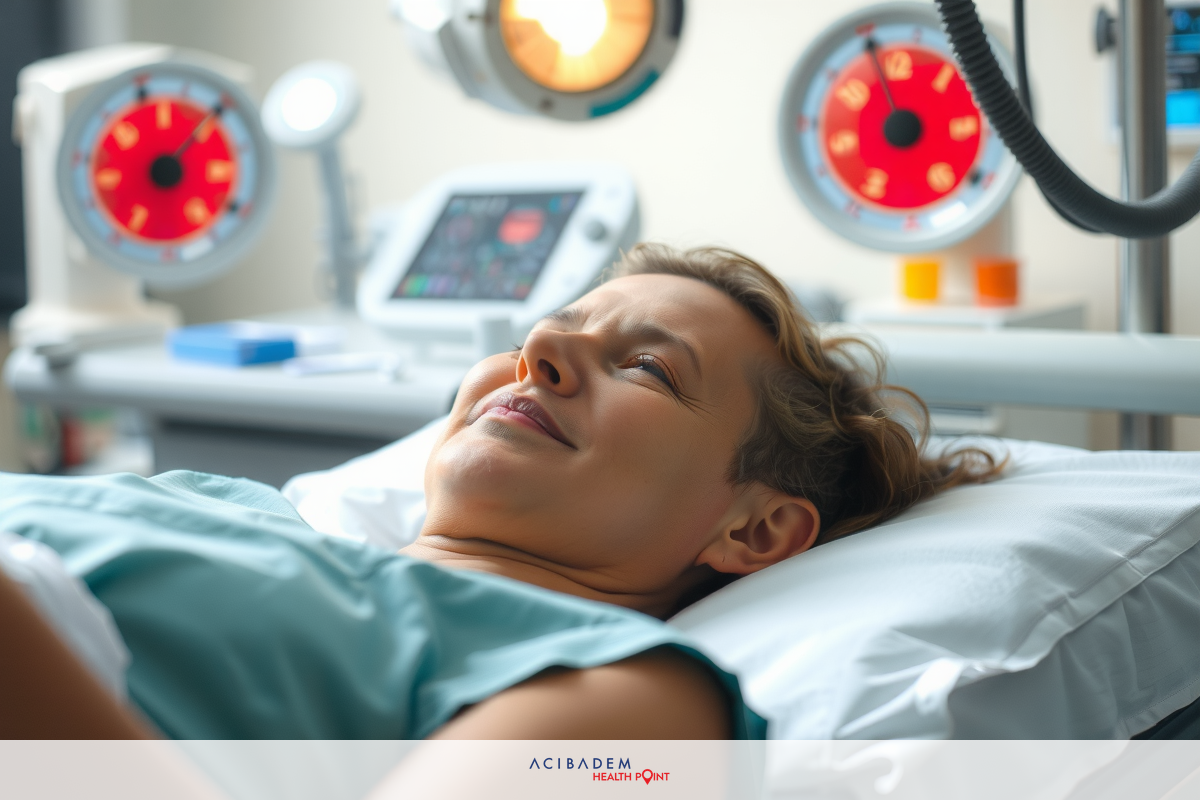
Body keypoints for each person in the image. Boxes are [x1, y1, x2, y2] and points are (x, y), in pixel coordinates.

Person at [0, 245, 1000, 741]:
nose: (542, 347)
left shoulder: (631, 698)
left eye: (648, 367)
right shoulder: (224, 506)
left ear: (758, 527)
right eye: (554, 327)